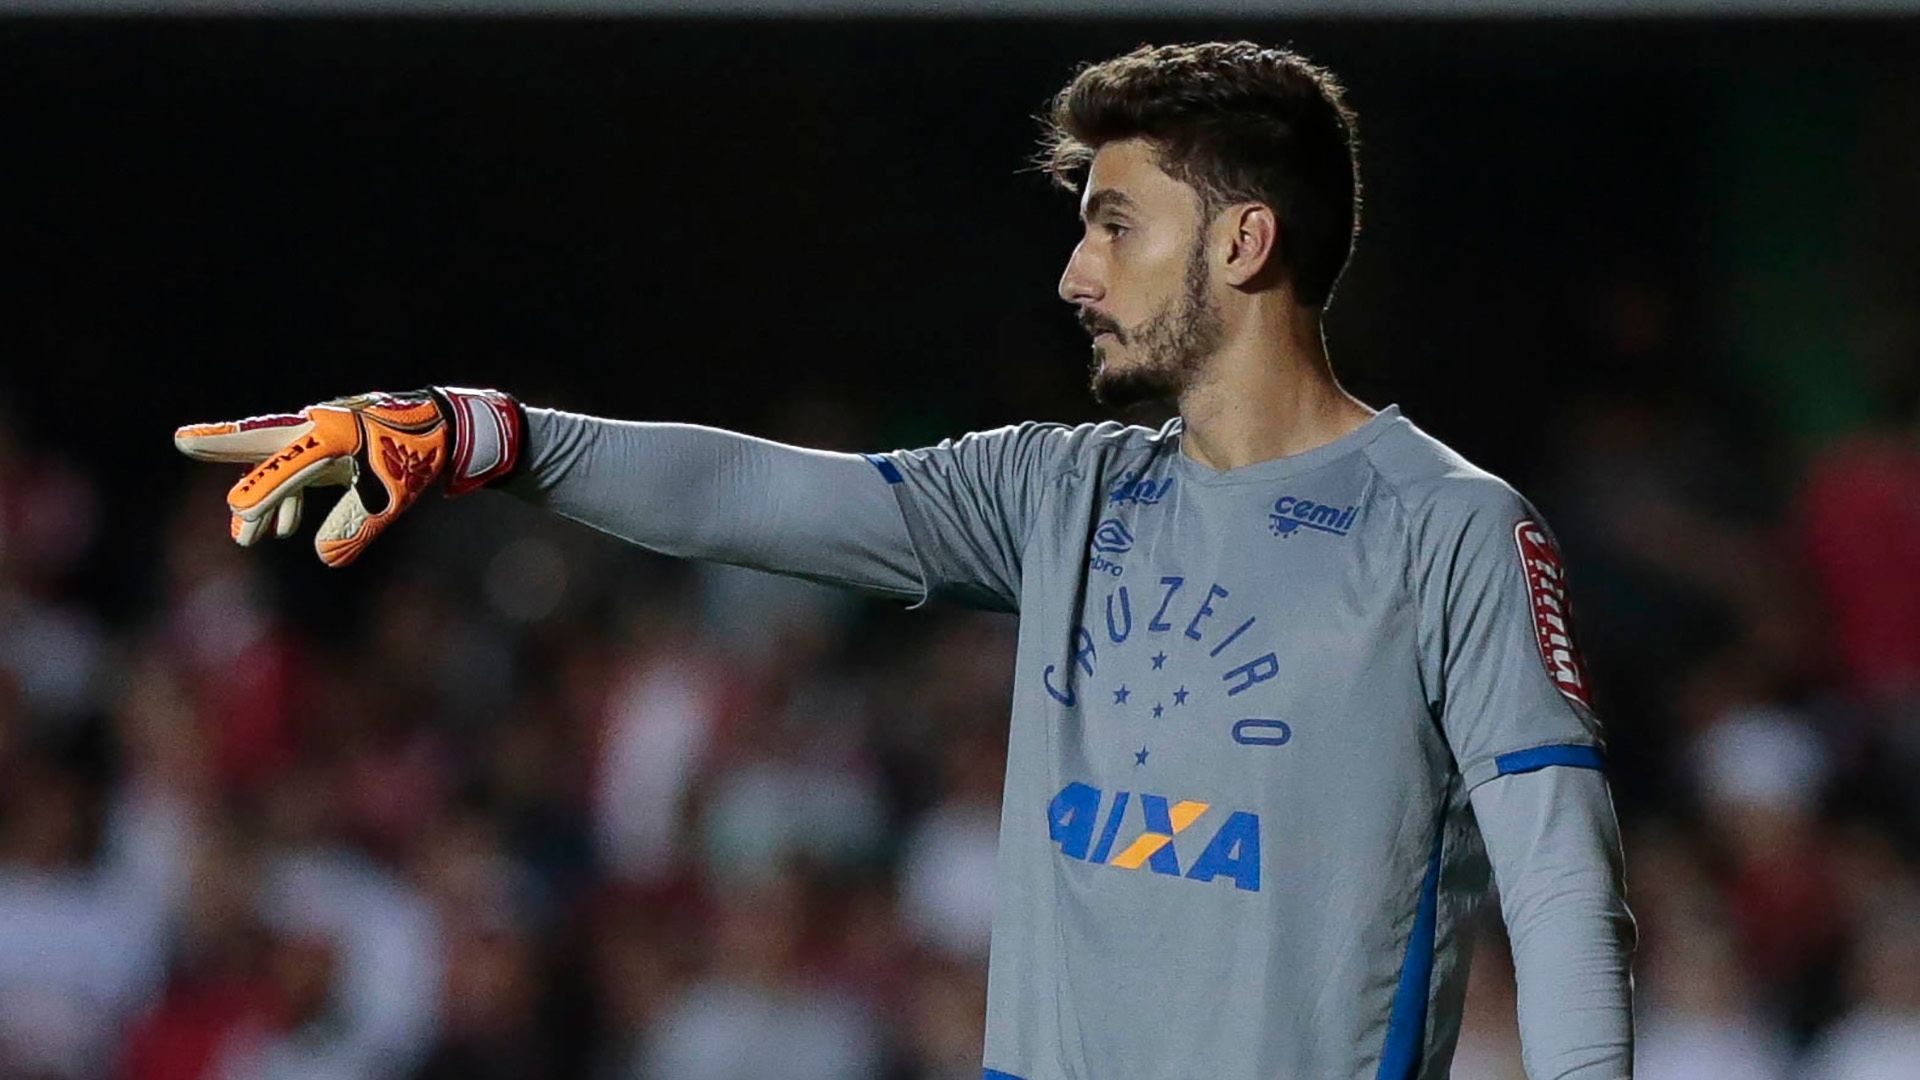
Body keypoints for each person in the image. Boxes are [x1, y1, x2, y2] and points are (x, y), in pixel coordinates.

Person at [175, 40, 1634, 1080]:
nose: (1075, 272)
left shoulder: (1451, 526)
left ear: (1245, 240)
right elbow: (758, 495)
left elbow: (1559, 884)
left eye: (1115, 225)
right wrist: (488, 433)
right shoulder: (1060, 492)